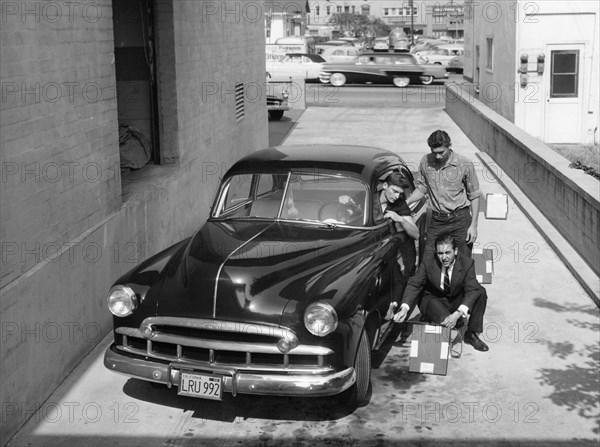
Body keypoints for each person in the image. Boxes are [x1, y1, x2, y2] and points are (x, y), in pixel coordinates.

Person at [387, 233, 489, 352]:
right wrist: (404, 308)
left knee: (480, 291)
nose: (444, 257)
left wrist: (458, 314)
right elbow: (415, 283)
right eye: (440, 253)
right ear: (436, 252)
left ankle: (471, 334)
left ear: (455, 251)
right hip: (434, 299)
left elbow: (473, 289)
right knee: (447, 323)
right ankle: (433, 317)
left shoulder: (467, 263)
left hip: (455, 298)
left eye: (447, 253)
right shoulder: (428, 261)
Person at [405, 129, 481, 260]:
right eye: (434, 153)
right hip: (437, 220)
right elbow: (422, 188)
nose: (438, 156)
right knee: (428, 260)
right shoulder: (426, 161)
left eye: (441, 152)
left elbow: (474, 196)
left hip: (460, 219)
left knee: (463, 262)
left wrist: (473, 226)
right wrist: (406, 202)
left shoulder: (464, 164)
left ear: (449, 146)